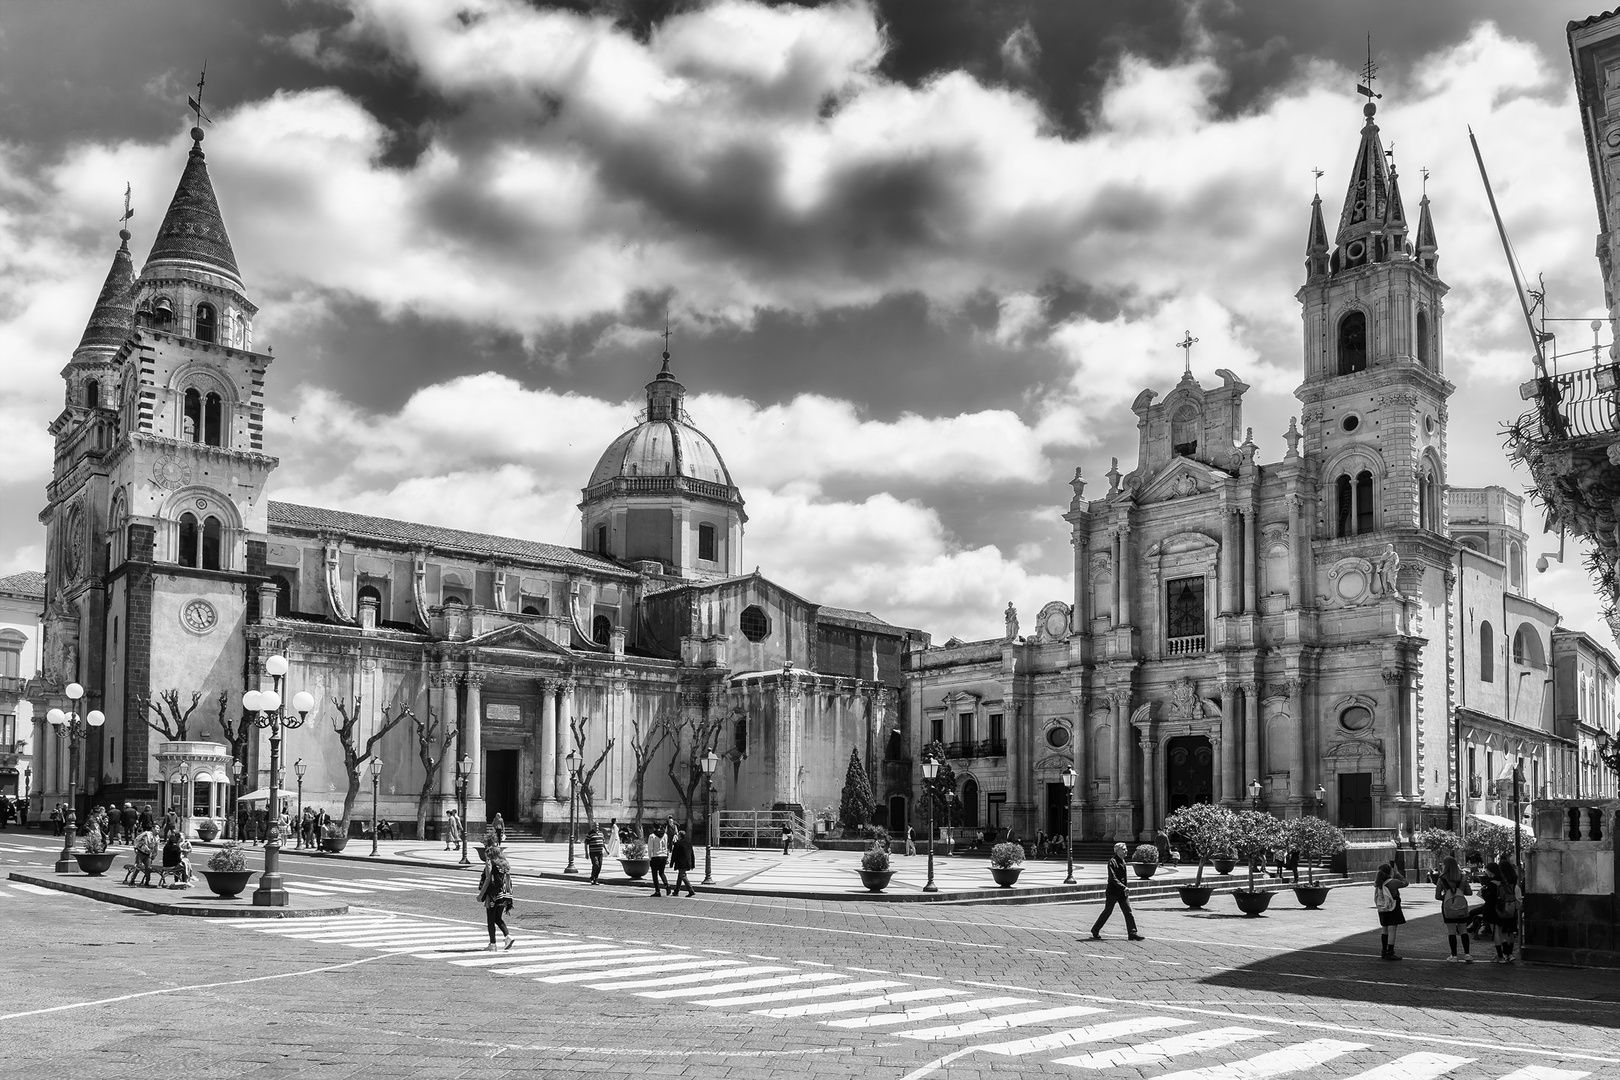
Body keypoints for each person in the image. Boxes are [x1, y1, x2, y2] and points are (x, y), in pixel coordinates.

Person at [1090, 842, 1144, 941]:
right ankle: (1095, 929)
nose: (1126, 851)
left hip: (1122, 892)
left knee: (1128, 912)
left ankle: (1132, 932)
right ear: (1117, 850)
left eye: (1126, 849)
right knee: (1108, 911)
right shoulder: (1112, 862)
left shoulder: (1123, 861)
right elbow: (1112, 878)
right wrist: (1123, 887)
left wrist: (1124, 888)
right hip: (1113, 891)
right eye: (1124, 849)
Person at [476, 842, 516, 951]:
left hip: (493, 895)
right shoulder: (504, 864)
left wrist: (481, 894)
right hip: (504, 895)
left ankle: (492, 944)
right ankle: (507, 936)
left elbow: (488, 879)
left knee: (490, 919)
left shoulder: (491, 864)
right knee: (498, 918)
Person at [1435, 855, 1473, 962]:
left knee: (1451, 931)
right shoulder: (1462, 877)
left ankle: (1454, 956)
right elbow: (1469, 892)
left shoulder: (1442, 878)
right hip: (1461, 907)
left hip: (1448, 908)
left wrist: (1447, 896)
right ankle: (1467, 954)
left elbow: (1437, 895)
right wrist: (1459, 892)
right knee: (1463, 930)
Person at [1374, 860, 1408, 960]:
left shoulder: (1378, 883)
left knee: (1384, 929)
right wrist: (1397, 874)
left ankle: (1384, 951)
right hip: (1393, 907)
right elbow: (1406, 883)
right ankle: (1390, 951)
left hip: (1382, 907)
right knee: (1392, 929)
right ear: (1390, 872)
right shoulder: (1393, 882)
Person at [670, 825, 696, 897]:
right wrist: (693, 864)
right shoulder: (689, 843)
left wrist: (672, 863)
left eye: (678, 835)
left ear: (680, 836)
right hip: (687, 862)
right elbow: (692, 854)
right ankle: (676, 891)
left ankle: (691, 890)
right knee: (680, 877)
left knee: (683, 876)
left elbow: (674, 854)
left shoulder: (677, 844)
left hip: (681, 863)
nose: (677, 836)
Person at [647, 826, 670, 897]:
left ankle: (657, 891)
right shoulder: (665, 835)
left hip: (656, 856)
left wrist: (650, 857)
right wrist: (667, 856)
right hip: (664, 855)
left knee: (654, 874)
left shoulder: (652, 836)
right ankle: (666, 885)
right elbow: (666, 846)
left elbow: (650, 848)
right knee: (661, 872)